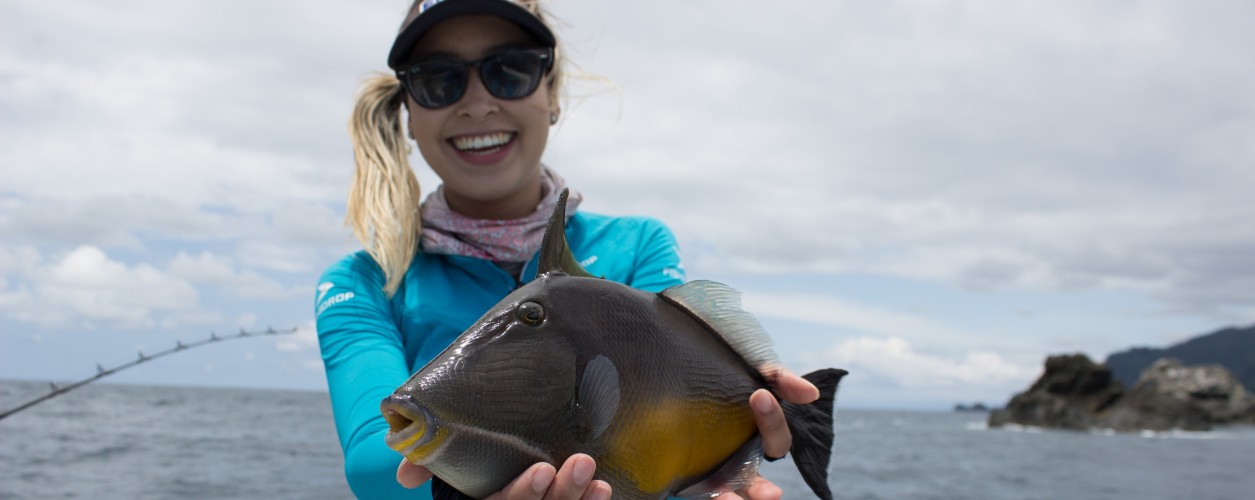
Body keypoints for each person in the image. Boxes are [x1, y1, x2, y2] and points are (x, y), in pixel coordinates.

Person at [315, 0, 821, 498]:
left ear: (551, 94)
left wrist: (719, 452)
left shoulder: (639, 243)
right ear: (408, 113)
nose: (477, 103)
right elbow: (372, 459)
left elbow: (670, 376)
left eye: (509, 71)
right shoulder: (362, 281)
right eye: (438, 79)